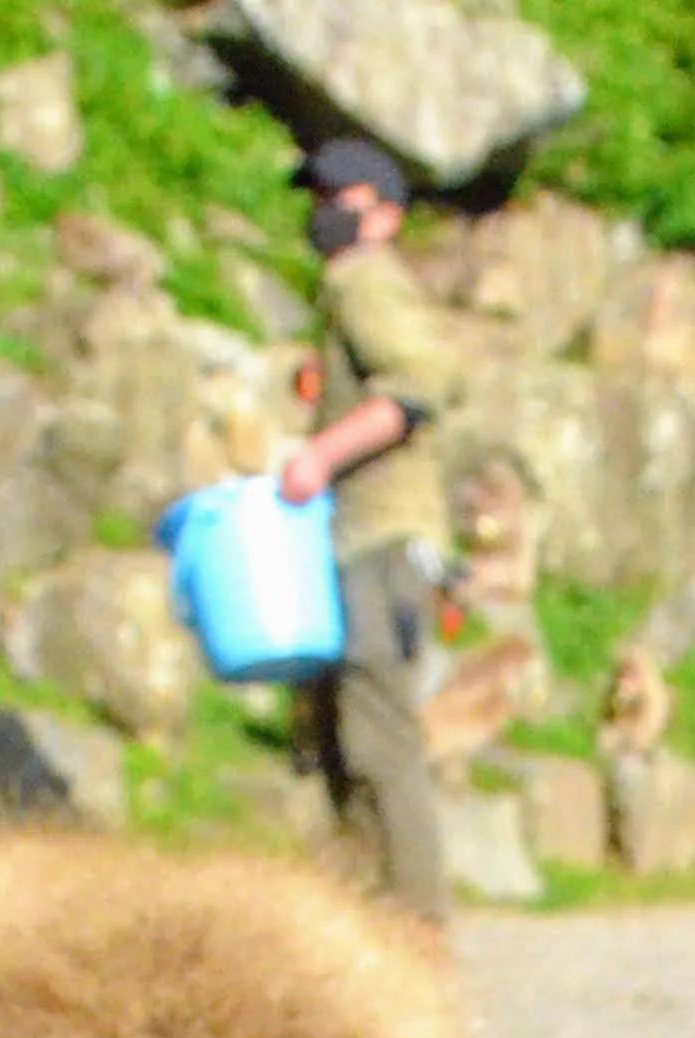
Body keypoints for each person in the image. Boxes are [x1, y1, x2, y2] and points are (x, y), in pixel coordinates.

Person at [281, 136, 462, 926]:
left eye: (339, 199)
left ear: (384, 216)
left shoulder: (365, 282)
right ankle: (368, 924)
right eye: (317, 197)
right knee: (344, 738)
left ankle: (416, 931)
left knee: (377, 743)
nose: (322, 212)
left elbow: (423, 384)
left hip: (382, 541)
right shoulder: (349, 290)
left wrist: (320, 453)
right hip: (363, 541)